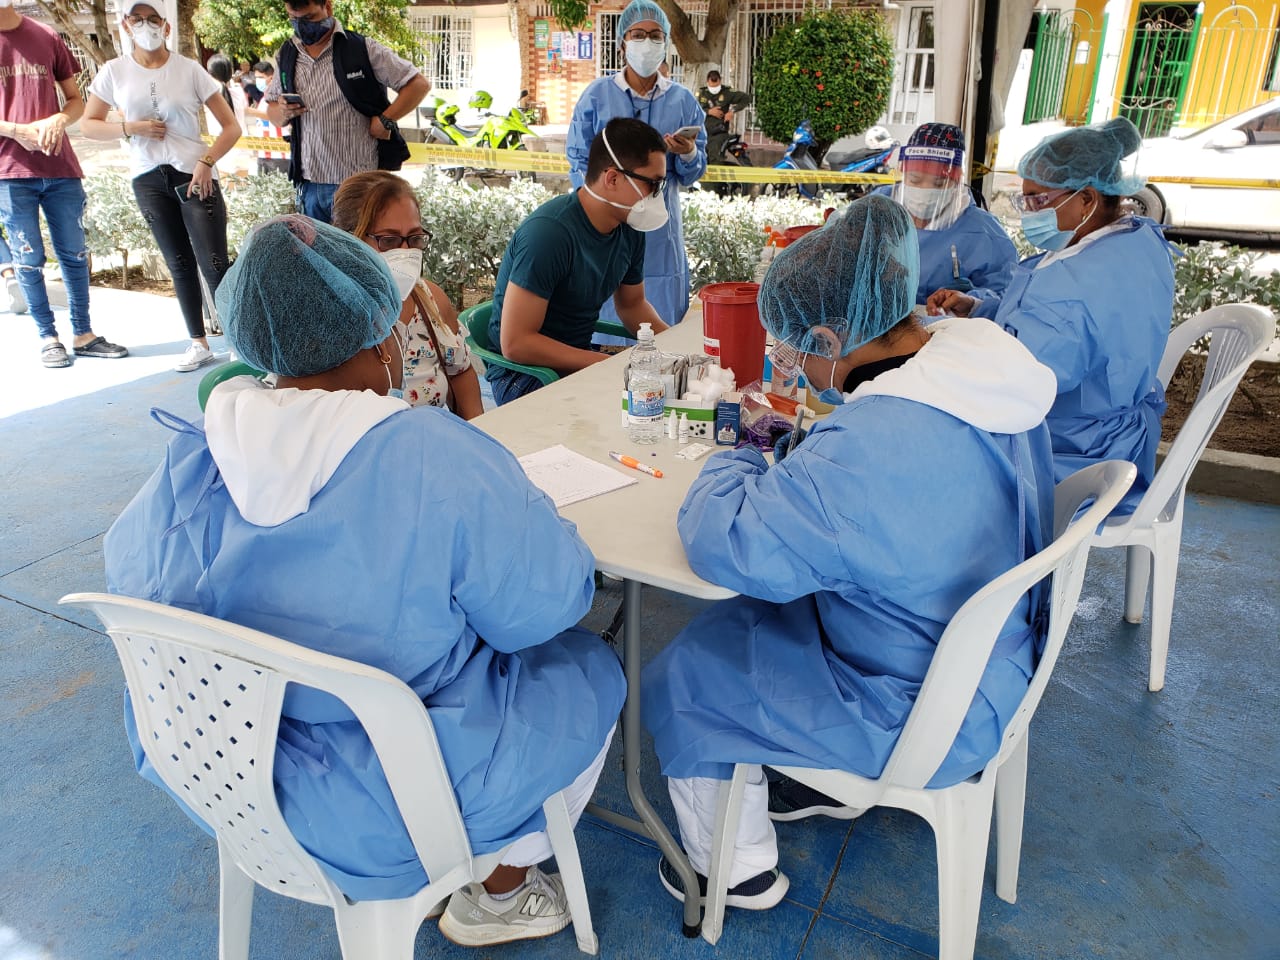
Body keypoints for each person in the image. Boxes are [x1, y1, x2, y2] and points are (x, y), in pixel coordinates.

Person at [104, 214, 626, 948]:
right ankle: (503, 888)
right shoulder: (424, 451)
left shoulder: (194, 454)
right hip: (394, 802)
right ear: (385, 338)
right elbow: (542, 609)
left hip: (217, 770)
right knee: (588, 666)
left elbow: (134, 586)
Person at [640, 194, 1058, 909]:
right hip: (998, 656)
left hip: (911, 704)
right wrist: (801, 447)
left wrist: (742, 447)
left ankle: (734, 871)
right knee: (765, 622)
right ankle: (795, 775)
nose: (790, 360)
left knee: (689, 667)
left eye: (793, 344)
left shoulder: (868, 449)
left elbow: (728, 546)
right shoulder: (981, 366)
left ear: (832, 339)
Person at [927, 117, 1175, 515]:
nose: (1028, 211)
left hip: (1074, 448)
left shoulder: (1079, 280)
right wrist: (980, 309)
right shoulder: (1130, 241)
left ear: (1087, 199)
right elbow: (1050, 327)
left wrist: (941, 349)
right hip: (1108, 428)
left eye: (1039, 199)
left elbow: (1024, 375)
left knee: (936, 453)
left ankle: (980, 571)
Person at [82, 1, 240, 373]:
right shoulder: (114, 71)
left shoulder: (189, 70)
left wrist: (207, 162)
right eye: (137, 19)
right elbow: (90, 124)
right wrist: (130, 127)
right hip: (147, 176)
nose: (146, 26)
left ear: (167, 27)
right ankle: (197, 342)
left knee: (215, 262)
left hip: (193, 173)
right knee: (178, 262)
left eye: (153, 19)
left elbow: (231, 127)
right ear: (125, 24)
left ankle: (237, 340)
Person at [487, 117, 669, 406]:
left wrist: (675, 349)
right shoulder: (549, 234)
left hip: (579, 357)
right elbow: (516, 343)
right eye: (653, 184)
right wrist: (605, 364)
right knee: (631, 416)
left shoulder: (629, 229)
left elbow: (632, 305)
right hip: (524, 375)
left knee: (665, 401)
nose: (659, 195)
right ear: (612, 178)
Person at [567, 0, 705, 343]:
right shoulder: (597, 97)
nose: (647, 42)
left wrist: (687, 154)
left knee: (658, 334)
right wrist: (601, 209)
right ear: (622, 43)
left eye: (656, 36)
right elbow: (578, 162)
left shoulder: (683, 101)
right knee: (605, 326)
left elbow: (692, 173)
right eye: (638, 34)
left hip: (661, 232)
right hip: (606, 226)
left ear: (667, 43)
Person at [0, 2, 127, 368]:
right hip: (10, 171)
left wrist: (58, 119)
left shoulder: (46, 35)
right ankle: (47, 336)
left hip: (61, 167)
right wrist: (14, 130)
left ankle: (83, 333)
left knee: (74, 252)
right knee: (28, 258)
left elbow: (75, 101)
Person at [332, 170, 483, 418]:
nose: (406, 252)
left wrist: (477, 435)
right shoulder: (328, 315)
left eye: (414, 239)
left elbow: (461, 371)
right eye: (389, 240)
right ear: (350, 240)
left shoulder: (429, 300)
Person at [264, 0, 430, 224]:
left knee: (356, 256)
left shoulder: (362, 49)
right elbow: (272, 112)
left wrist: (385, 120)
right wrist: (283, 111)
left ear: (328, 8)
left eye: (309, 18)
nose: (302, 27)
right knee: (317, 257)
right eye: (295, 20)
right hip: (310, 184)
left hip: (357, 187)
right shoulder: (287, 54)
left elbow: (418, 85)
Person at [872, 122, 1016, 307]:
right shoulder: (876, 207)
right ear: (903, 172)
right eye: (914, 179)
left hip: (946, 328)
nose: (925, 190)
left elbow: (1005, 295)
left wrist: (971, 302)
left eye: (939, 183)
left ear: (957, 181)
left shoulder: (983, 232)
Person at [696, 70, 751, 164]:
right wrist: (709, 111)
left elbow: (746, 98)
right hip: (703, 131)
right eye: (712, 86)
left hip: (719, 132)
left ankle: (717, 177)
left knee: (714, 157)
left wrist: (732, 111)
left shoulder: (727, 92)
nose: (714, 89)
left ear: (720, 81)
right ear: (707, 82)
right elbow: (694, 109)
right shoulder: (702, 93)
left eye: (716, 86)